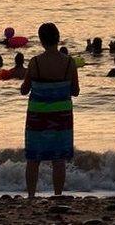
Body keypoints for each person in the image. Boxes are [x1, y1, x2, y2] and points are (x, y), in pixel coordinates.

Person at [20, 22, 79, 198]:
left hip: (38, 116)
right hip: (61, 116)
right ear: (58, 38)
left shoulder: (35, 62)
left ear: (41, 41)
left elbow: (24, 90)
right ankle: (57, 195)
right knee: (58, 158)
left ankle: (31, 196)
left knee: (33, 158)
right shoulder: (69, 63)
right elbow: (75, 91)